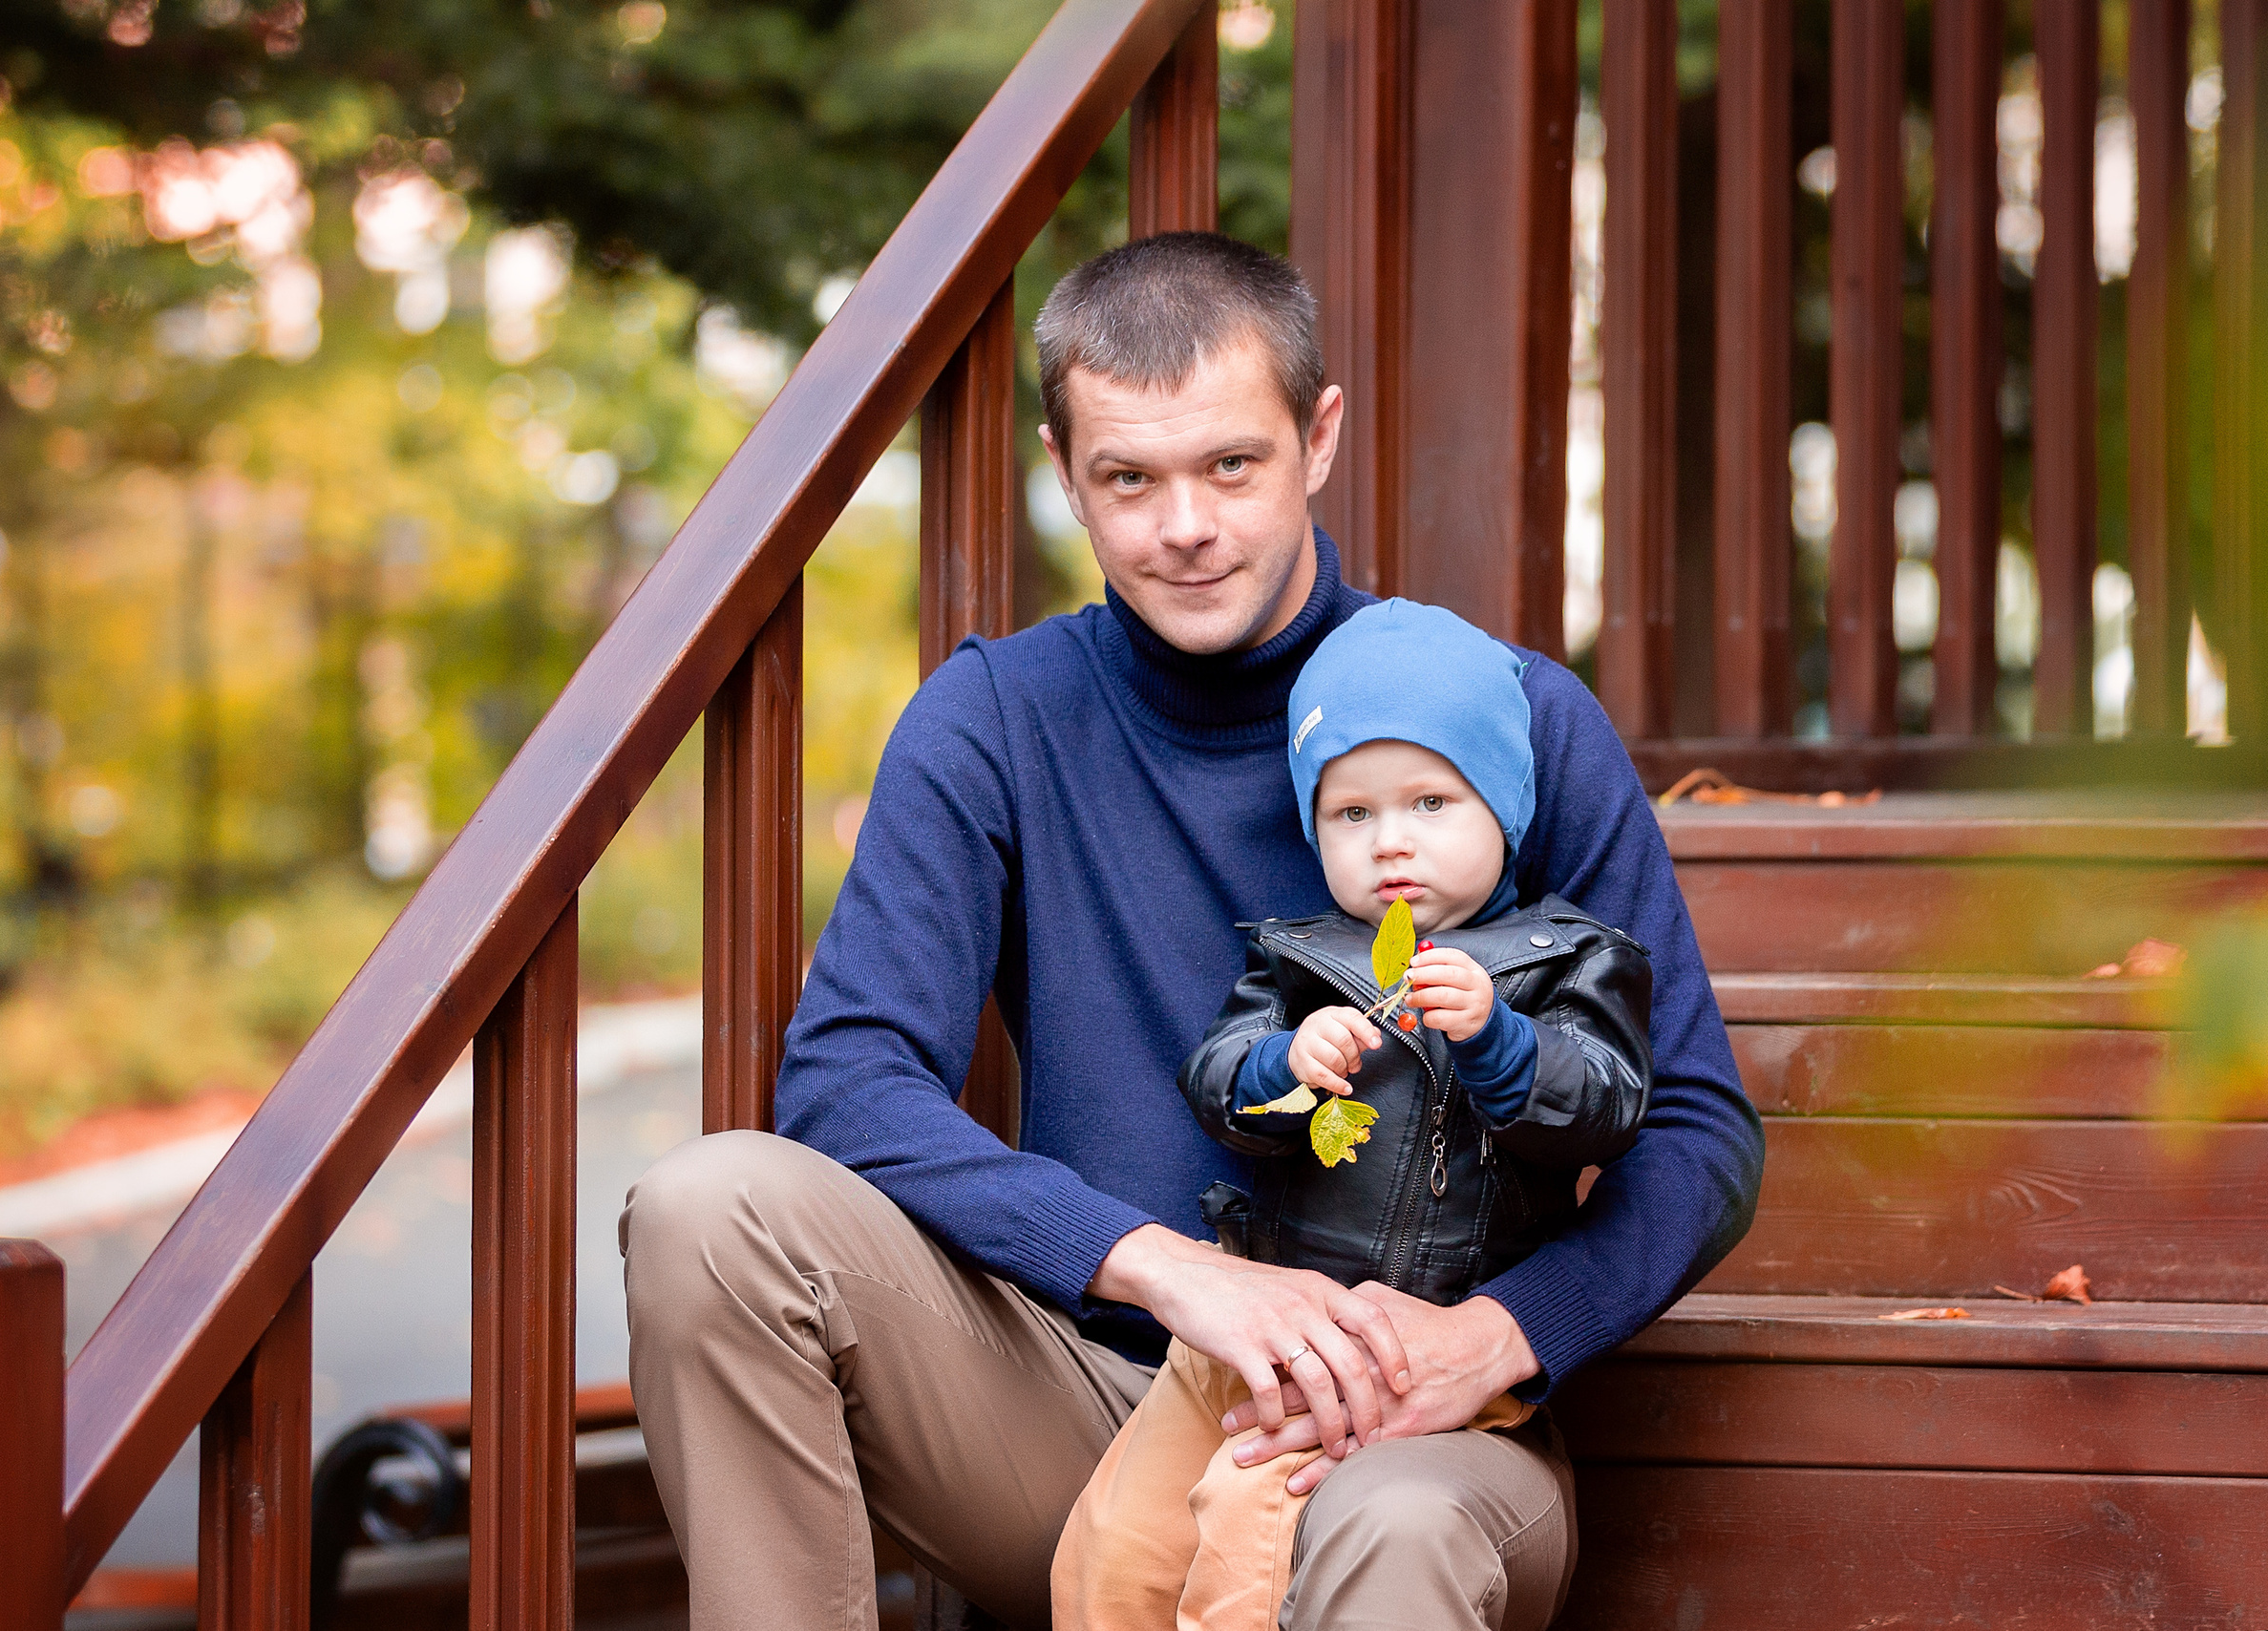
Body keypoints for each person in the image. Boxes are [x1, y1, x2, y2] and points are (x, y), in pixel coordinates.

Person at [620, 231, 1763, 1631]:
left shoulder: (1505, 719)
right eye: (1129, 478)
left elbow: (1699, 1130)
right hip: (1085, 1405)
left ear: (1318, 436)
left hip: (1413, 1433)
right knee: (710, 1209)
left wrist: (1501, 1343)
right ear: (1066, 474)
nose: (1185, 527)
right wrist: (1179, 1275)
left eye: (1231, 464)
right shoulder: (998, 720)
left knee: (1395, 1530)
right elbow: (848, 1085)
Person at [1050, 598, 1654, 1631]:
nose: (1391, 845)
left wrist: (1502, 1043)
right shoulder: (1301, 957)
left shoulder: (1570, 959)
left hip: (1405, 1345)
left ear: (1502, 806)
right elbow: (1217, 1080)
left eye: (1431, 802)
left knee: (1248, 1529)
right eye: (1352, 813)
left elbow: (1608, 1104)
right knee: (1114, 1542)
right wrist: (1284, 1063)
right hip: (1256, 1319)